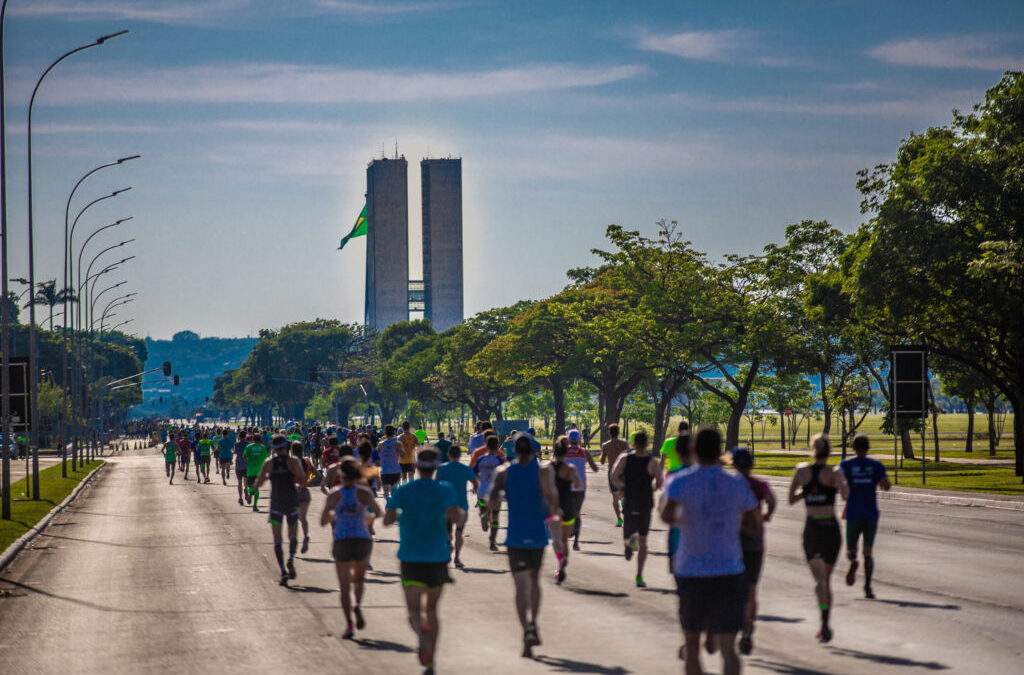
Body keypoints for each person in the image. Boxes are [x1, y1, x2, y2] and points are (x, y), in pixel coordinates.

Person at [661, 426, 761, 675]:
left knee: (692, 646)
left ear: (694, 450)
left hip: (691, 572)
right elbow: (755, 525)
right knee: (728, 648)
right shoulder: (736, 482)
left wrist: (689, 520)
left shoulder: (680, 481)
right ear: (720, 451)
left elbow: (666, 515)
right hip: (729, 570)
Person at [383, 448, 465, 674]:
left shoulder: (402, 490)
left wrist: (404, 514)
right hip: (438, 558)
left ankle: (421, 638)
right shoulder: (445, 490)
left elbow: (387, 520)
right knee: (432, 610)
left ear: (416, 466)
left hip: (410, 557)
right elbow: (456, 517)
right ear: (436, 467)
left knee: (413, 611)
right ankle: (431, 662)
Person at [488, 435, 561, 657]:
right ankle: (533, 622)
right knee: (534, 581)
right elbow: (551, 498)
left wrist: (489, 513)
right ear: (533, 451)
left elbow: (492, 500)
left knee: (520, 587)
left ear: (515, 452)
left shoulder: (504, 472)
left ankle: (526, 630)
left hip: (515, 537)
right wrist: (555, 525)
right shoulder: (544, 471)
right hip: (537, 535)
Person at [788, 433, 848, 643]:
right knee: (826, 580)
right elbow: (845, 495)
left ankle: (823, 618)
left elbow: (790, 499)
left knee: (820, 581)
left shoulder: (802, 470)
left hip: (813, 528)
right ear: (829, 451)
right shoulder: (835, 472)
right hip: (831, 528)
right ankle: (825, 621)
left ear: (812, 450)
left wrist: (807, 492)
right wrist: (838, 486)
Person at [322, 458, 382, 639]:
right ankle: (357, 604)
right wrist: (367, 519)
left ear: (341, 475)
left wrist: (336, 515)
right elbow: (378, 512)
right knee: (359, 580)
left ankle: (349, 624)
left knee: (344, 585)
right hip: (362, 539)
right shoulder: (364, 493)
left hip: (342, 540)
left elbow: (323, 520)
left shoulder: (334, 494)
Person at [731, 447, 776, 655]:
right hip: (755, 542)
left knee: (730, 587)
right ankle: (748, 625)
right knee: (752, 589)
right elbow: (772, 500)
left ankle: (731, 624)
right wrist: (767, 515)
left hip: (732, 542)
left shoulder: (731, 484)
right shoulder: (758, 485)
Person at [840, 434, 890, 599]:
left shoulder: (846, 464)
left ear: (853, 448)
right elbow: (885, 486)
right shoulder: (876, 466)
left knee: (850, 551)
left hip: (853, 513)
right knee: (868, 551)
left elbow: (839, 484)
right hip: (871, 514)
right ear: (868, 448)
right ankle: (868, 587)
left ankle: (853, 562)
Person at [610, 430, 662, 588]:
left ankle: (627, 545)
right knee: (643, 541)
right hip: (645, 503)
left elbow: (614, 475)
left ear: (633, 444)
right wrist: (651, 488)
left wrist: (622, 487)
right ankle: (639, 575)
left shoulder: (625, 458)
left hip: (630, 501)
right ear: (647, 444)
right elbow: (659, 483)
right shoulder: (652, 462)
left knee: (629, 532)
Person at [255, 434, 307, 586]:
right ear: (286, 447)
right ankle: (291, 557)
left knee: (277, 539)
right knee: (293, 535)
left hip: (276, 503)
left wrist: (253, 491)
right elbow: (301, 478)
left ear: (274, 448)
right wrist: (297, 484)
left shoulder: (269, 463)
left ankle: (283, 571)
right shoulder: (293, 461)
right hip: (291, 500)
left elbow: (259, 481)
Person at [435, 445, 478, 568]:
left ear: (448, 455)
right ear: (460, 455)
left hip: (445, 507)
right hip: (461, 506)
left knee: (448, 532)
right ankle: (457, 558)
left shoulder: (442, 469)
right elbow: (476, 483)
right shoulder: (466, 469)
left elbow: (436, 485)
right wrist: (475, 490)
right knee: (459, 533)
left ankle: (448, 546)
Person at [549, 436, 581, 584]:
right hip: (568, 505)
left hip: (553, 507)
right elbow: (577, 484)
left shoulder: (547, 467)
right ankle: (561, 566)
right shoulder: (570, 468)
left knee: (556, 540)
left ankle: (560, 562)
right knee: (564, 540)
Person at [564, 429, 598, 551]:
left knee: (566, 512)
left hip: (565, 488)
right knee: (577, 513)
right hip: (580, 488)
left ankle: (568, 531)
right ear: (579, 440)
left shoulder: (563, 452)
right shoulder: (584, 452)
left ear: (568, 439)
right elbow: (595, 468)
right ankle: (576, 543)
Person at [473, 435, 506, 551]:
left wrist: (479, 479)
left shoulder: (481, 459)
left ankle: (483, 514)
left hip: (482, 490)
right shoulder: (500, 460)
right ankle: (492, 540)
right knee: (495, 516)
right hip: (495, 493)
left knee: (482, 507)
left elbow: (474, 472)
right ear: (497, 446)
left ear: (486, 445)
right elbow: (505, 475)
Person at [600, 423, 631, 527]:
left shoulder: (605, 445)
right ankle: (623, 501)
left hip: (612, 472)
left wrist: (604, 454)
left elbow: (602, 461)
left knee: (614, 497)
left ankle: (619, 519)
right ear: (618, 432)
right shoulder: (624, 444)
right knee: (624, 493)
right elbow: (629, 457)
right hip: (624, 471)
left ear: (609, 433)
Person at [292, 441, 316, 554]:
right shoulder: (307, 460)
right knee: (303, 518)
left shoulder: (291, 462)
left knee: (293, 519)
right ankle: (306, 536)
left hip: (293, 492)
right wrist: (308, 481)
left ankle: (294, 541)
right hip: (305, 491)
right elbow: (318, 474)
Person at [243, 433, 270, 512]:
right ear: (260, 439)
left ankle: (250, 493)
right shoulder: (262, 447)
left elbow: (244, 456)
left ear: (253, 439)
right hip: (259, 470)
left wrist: (248, 461)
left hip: (250, 469)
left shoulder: (249, 447)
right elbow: (266, 457)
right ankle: (255, 505)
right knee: (257, 488)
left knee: (249, 485)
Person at [377, 424, 402, 498]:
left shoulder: (380, 444)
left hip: (384, 470)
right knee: (394, 492)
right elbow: (403, 454)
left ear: (385, 433)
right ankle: (392, 506)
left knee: (386, 493)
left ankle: (388, 505)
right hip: (395, 470)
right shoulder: (397, 443)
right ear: (394, 432)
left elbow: (378, 456)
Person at [234, 431, 249, 505]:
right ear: (245, 436)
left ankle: (240, 498)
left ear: (239, 437)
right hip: (246, 464)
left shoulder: (236, 444)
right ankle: (246, 490)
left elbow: (235, 452)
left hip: (239, 464)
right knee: (246, 480)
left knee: (239, 482)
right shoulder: (248, 445)